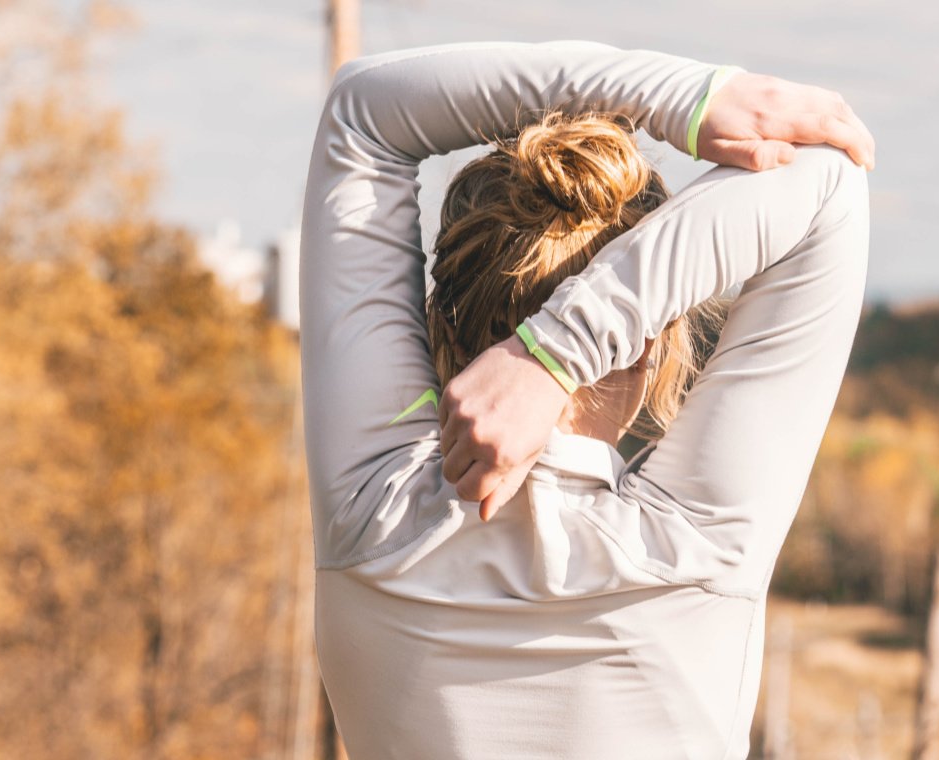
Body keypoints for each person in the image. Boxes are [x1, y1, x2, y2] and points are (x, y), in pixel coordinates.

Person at [300, 41, 873, 759]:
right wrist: (554, 353)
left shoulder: (369, 513)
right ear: (647, 342)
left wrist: (692, 98)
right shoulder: (696, 544)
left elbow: (365, 110)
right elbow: (827, 181)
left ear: (438, 321)